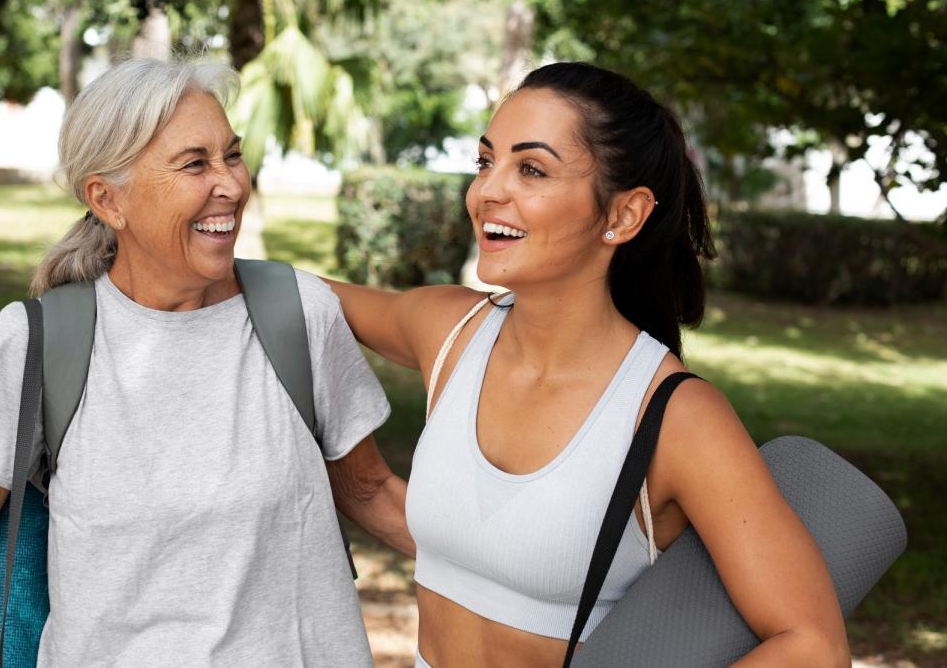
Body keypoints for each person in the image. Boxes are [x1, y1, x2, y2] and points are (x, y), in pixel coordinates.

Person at [326, 62, 850, 667]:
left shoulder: (675, 416)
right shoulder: (450, 331)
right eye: (485, 161)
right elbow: (298, 298)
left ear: (623, 215)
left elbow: (813, 645)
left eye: (531, 169)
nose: (486, 191)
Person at [0, 59, 413, 667]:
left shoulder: (300, 314)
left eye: (232, 155)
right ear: (108, 199)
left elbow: (369, 489)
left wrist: (510, 570)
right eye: (195, 164)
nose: (231, 185)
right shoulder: (38, 343)